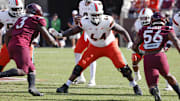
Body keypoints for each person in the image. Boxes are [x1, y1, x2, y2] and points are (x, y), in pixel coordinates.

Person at [52, 2, 142, 95]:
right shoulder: (85, 21)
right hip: (94, 47)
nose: (96, 17)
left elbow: (122, 31)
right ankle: (66, 85)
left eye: (98, 15)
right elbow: (73, 30)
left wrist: (130, 42)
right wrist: (61, 35)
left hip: (110, 46)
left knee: (124, 67)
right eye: (94, 15)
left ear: (102, 13)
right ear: (89, 14)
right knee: (79, 66)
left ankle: (135, 85)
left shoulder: (107, 20)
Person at [3, 3, 58, 96]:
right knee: (23, 71)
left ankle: (32, 88)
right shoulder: (37, 19)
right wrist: (54, 43)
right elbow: (46, 35)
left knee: (31, 68)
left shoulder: (21, 19)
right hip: (21, 44)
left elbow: (8, 34)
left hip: (14, 43)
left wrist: (9, 47)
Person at [132, 12, 180, 101]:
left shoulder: (144, 29)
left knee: (152, 85)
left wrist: (141, 53)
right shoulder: (167, 28)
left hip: (148, 57)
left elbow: (134, 46)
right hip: (160, 55)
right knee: (167, 75)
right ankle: (179, 92)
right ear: (163, 20)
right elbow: (175, 40)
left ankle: (155, 91)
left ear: (152, 20)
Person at [72, 0, 99, 87]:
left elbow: (98, 18)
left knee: (92, 55)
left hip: (95, 31)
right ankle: (80, 77)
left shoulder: (97, 4)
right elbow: (82, 19)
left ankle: (92, 79)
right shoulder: (81, 3)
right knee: (77, 52)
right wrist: (78, 20)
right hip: (85, 31)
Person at [132, 8, 153, 82]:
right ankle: (137, 75)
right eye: (142, 18)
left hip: (153, 44)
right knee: (134, 59)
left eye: (146, 18)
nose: (143, 20)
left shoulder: (155, 23)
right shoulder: (137, 23)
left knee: (157, 64)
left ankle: (168, 84)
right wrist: (135, 45)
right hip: (143, 43)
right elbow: (139, 37)